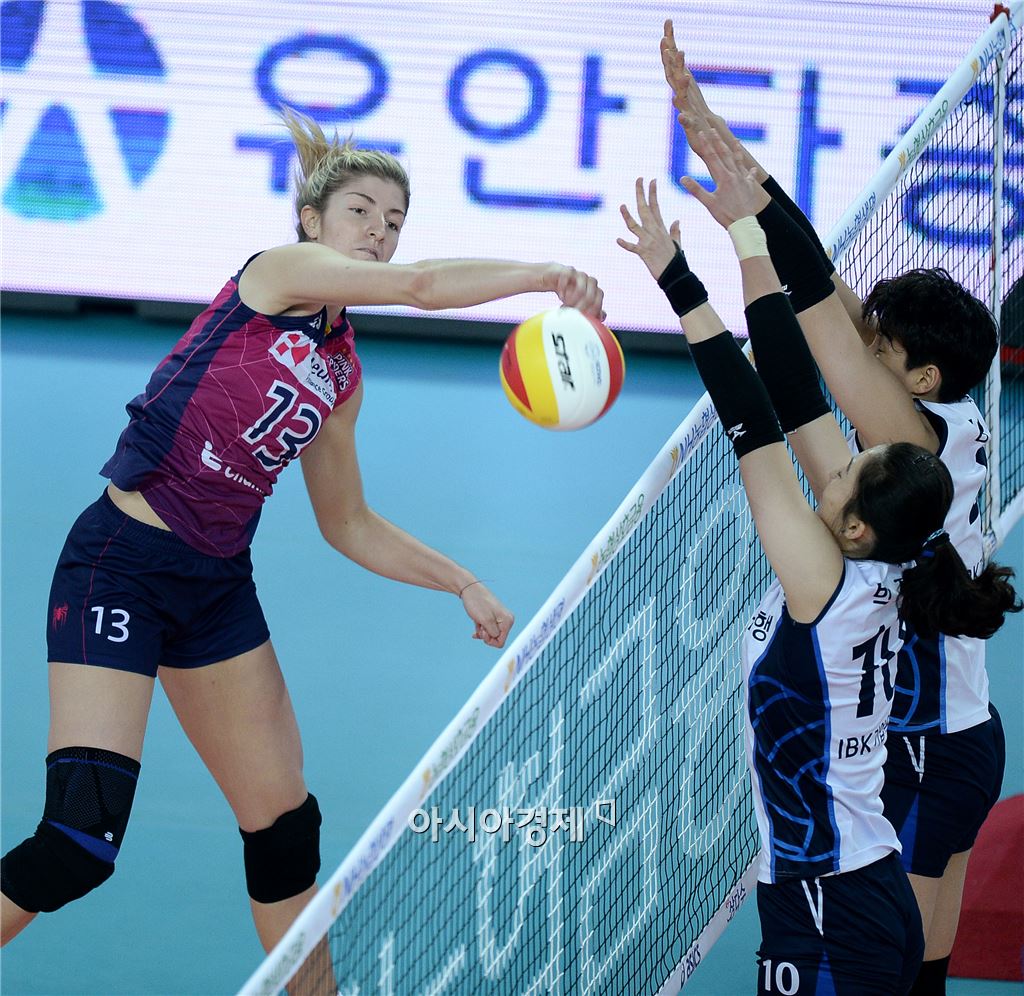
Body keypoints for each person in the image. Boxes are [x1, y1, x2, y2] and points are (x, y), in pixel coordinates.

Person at [0, 108, 605, 981]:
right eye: (361, 211)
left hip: (216, 592)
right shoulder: (275, 275)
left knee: (285, 832)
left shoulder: (342, 372)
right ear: (312, 221)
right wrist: (545, 274)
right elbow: (422, 287)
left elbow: (346, 522)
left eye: (394, 222)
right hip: (120, 565)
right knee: (76, 842)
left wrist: (460, 580)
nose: (379, 233)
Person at [659, 21, 1022, 992]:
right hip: (954, 735)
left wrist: (735, 222)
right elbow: (820, 320)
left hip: (923, 753)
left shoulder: (909, 446)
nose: (866, 345)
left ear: (921, 377)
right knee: (919, 966)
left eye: (883, 349)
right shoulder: (932, 441)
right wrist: (730, 161)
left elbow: (811, 325)